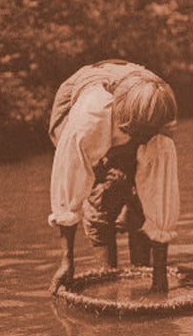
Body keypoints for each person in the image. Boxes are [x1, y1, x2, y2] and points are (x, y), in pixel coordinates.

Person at [47, 60, 180, 295]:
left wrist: (160, 275)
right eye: (142, 135)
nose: (147, 140)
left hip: (137, 93)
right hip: (82, 98)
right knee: (101, 197)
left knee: (140, 202)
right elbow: (67, 186)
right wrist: (67, 261)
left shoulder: (160, 126)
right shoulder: (88, 121)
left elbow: (162, 195)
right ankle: (107, 276)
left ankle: (142, 259)